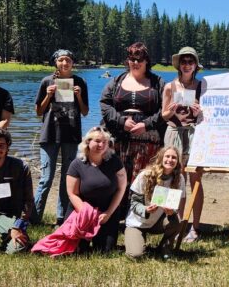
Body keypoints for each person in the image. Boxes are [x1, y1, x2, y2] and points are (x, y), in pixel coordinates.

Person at [100, 42, 166, 217]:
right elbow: (105, 105)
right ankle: (116, 215)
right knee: (118, 175)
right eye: (132, 59)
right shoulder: (116, 81)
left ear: (146, 61)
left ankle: (145, 215)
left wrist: (147, 124)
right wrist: (121, 121)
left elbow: (165, 110)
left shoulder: (158, 83)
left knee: (145, 177)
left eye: (140, 59)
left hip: (148, 140)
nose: (135, 63)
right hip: (119, 138)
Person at [32, 49, 89, 225]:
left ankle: (61, 218)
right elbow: (38, 112)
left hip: (71, 135)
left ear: (73, 63)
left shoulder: (80, 82)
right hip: (49, 134)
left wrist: (78, 96)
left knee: (67, 178)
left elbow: (85, 112)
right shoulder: (47, 81)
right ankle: (34, 217)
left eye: (68, 60)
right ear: (56, 62)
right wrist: (48, 95)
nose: (65, 63)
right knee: (46, 179)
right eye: (61, 60)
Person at [162, 46, 203, 242]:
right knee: (172, 178)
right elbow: (163, 115)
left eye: (191, 61)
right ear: (179, 65)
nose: (187, 65)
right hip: (173, 134)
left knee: (195, 180)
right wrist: (171, 110)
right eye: (184, 62)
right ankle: (173, 223)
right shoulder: (170, 86)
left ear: (195, 65)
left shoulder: (202, 86)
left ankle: (194, 227)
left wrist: (198, 113)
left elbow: (207, 115)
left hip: (194, 134)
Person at [65, 126, 127, 252]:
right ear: (88, 142)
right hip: (82, 211)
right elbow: (72, 193)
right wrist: (87, 213)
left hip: (106, 212)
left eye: (105, 142)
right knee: (77, 251)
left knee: (104, 250)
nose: (101, 145)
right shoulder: (77, 164)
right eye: (97, 141)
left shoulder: (114, 161)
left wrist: (108, 213)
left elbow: (121, 188)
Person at [124, 146, 186, 259]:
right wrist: (146, 209)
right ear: (161, 157)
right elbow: (134, 203)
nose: (170, 160)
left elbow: (177, 204)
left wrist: (171, 212)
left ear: (177, 161)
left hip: (157, 221)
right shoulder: (145, 175)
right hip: (137, 222)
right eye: (167, 156)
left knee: (177, 221)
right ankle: (136, 239)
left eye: (174, 158)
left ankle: (165, 247)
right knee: (135, 255)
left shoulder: (179, 178)